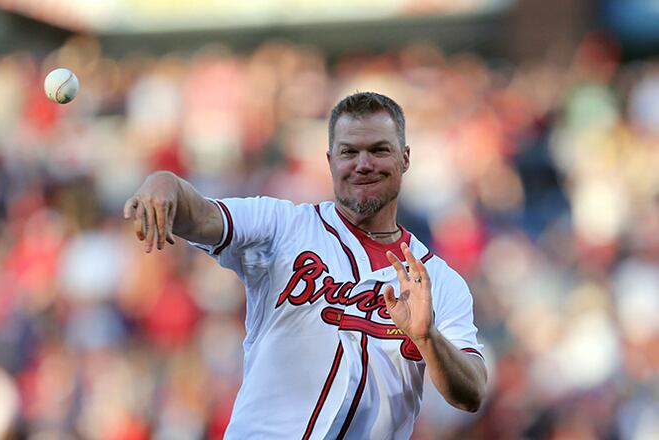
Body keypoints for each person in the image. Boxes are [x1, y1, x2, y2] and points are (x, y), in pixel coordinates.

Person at [124, 92, 487, 439]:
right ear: (330, 160)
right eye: (349, 152)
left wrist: (428, 338)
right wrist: (164, 182)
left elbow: (471, 392)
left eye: (379, 150)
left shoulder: (438, 279)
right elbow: (202, 215)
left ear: (404, 158)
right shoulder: (283, 226)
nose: (363, 164)